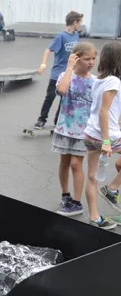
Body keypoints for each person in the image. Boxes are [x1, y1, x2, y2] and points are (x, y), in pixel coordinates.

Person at [52, 43, 97, 217]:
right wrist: (70, 67)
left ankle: (77, 203)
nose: (91, 62)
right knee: (64, 163)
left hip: (83, 132)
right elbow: (62, 90)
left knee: (76, 164)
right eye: (87, 59)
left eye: (93, 58)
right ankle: (66, 195)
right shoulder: (66, 76)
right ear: (76, 58)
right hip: (64, 128)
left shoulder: (94, 82)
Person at [83, 42, 121, 230]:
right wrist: (106, 142)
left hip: (91, 134)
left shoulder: (99, 79)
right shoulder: (114, 81)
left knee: (92, 177)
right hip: (106, 137)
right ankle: (112, 189)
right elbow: (103, 112)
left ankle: (95, 217)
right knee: (94, 177)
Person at [34, 11, 83, 129]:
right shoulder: (61, 36)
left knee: (65, 99)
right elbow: (48, 50)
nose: (81, 25)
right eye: (80, 22)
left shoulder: (76, 36)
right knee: (50, 97)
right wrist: (43, 64)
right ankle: (41, 120)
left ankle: (58, 121)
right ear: (74, 22)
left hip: (70, 73)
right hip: (57, 73)